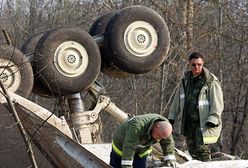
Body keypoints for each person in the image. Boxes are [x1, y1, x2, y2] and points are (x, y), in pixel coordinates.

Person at [168, 52, 224, 161]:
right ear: (189, 64)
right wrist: (172, 117)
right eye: (194, 64)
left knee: (202, 152)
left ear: (203, 64)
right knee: (193, 152)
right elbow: (176, 101)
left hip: (203, 123)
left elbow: (217, 103)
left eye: (199, 64)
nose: (196, 67)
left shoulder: (210, 81)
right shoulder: (185, 80)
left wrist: (213, 118)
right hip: (188, 123)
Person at [110, 113, 177, 168]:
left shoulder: (165, 128)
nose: (158, 139)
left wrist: (170, 160)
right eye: (158, 136)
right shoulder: (137, 127)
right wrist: (127, 166)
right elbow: (129, 147)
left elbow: (168, 144)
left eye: (161, 138)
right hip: (121, 148)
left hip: (140, 152)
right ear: (157, 126)